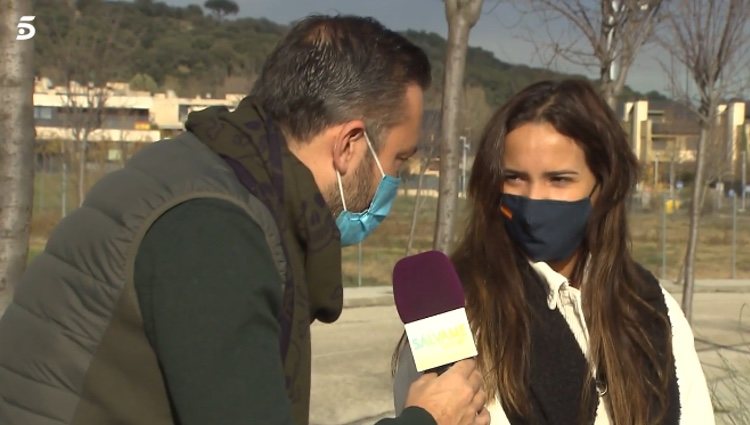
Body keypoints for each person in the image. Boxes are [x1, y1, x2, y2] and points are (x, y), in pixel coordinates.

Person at [0, 15, 489, 425]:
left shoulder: (207, 176)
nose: (396, 182)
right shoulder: (214, 232)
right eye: (399, 160)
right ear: (349, 145)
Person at [393, 79, 714, 425]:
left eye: (559, 179)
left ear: (603, 187)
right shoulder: (451, 313)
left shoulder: (651, 308)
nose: (533, 200)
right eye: (514, 178)